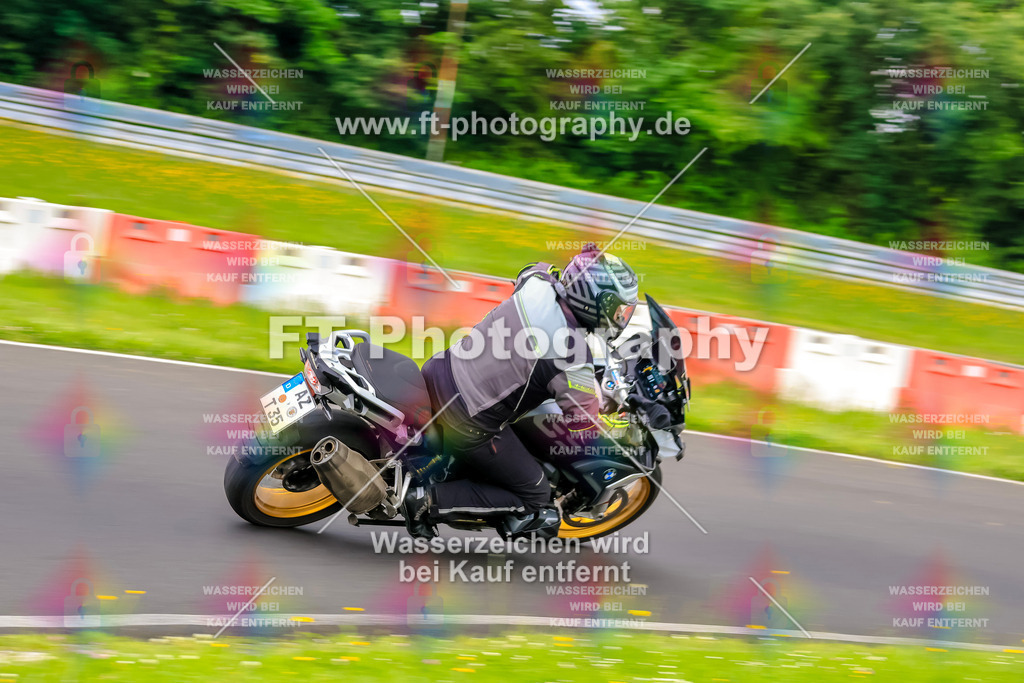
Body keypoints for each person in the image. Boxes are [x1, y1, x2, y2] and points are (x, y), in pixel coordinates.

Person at [405, 243, 640, 539]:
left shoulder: (537, 284)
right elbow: (584, 425)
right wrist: (618, 428)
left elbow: (533, 269)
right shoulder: (573, 356)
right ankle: (426, 501)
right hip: (465, 419)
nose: (620, 318)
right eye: (617, 309)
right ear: (595, 301)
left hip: (439, 369)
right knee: (535, 493)